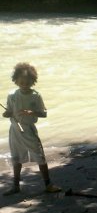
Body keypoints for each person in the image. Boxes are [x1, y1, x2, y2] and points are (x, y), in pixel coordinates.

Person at [2, 62, 61, 195]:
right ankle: (15, 186)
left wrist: (31, 112)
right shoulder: (12, 95)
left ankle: (48, 184)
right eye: (21, 81)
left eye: (27, 82)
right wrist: (7, 114)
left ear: (32, 81)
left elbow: (44, 113)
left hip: (29, 130)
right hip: (15, 131)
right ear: (15, 80)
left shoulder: (36, 95)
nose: (24, 84)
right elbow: (8, 112)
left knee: (40, 157)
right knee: (16, 159)